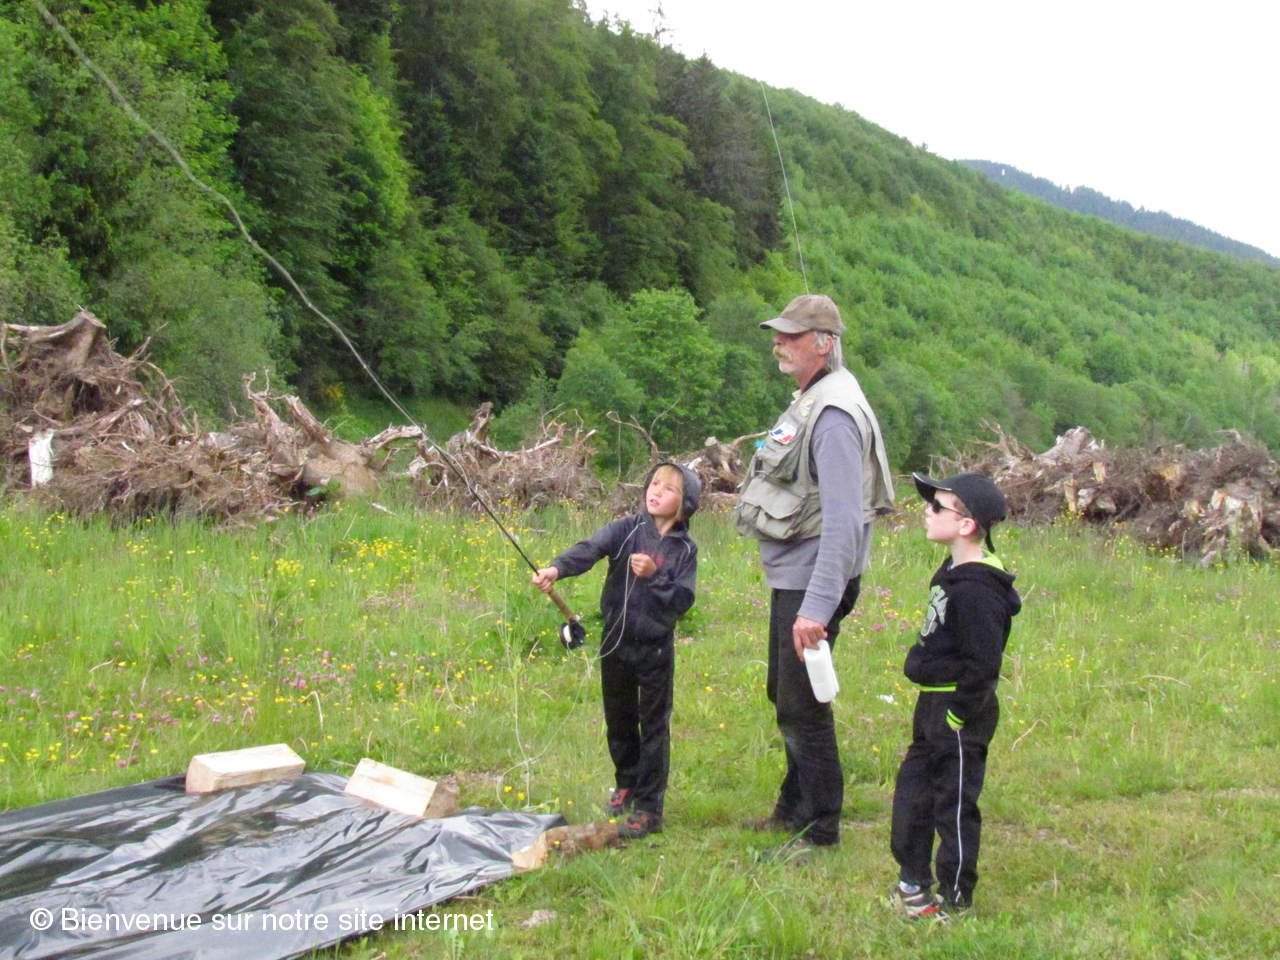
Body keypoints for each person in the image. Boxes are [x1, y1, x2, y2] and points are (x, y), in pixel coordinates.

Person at [734, 293, 894, 851]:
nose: (778, 343)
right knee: (787, 696)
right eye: (778, 333)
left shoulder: (833, 417)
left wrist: (817, 609)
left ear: (824, 344)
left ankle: (820, 828)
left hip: (813, 585)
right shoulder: (815, 396)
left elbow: (845, 523)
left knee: (804, 706)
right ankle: (791, 809)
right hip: (797, 580)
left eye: (792, 335)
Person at [532, 462, 701, 839]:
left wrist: (655, 576)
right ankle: (625, 783)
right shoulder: (626, 530)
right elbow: (590, 549)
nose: (656, 491)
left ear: (685, 503)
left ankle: (649, 808)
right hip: (615, 641)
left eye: (669, 489)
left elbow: (683, 600)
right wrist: (556, 569)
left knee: (653, 726)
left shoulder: (685, 549)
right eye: (654, 483)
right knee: (619, 718)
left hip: (655, 649)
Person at [889, 472, 1021, 918]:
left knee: (954, 803)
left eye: (937, 507)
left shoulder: (980, 590)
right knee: (913, 794)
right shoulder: (950, 572)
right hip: (931, 702)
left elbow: (983, 664)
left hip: (960, 710)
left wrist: (959, 714)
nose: (926, 512)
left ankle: (956, 897)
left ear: (966, 525)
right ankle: (912, 882)